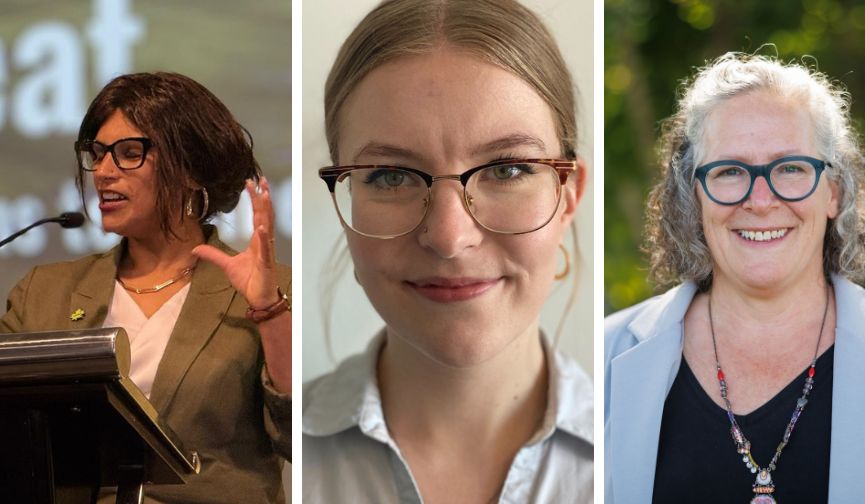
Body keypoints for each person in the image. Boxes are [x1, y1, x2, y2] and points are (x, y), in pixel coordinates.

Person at [302, 0, 593, 502]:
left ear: (568, 194)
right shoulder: (280, 461)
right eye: (391, 176)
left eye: (506, 169)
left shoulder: (626, 446)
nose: (449, 236)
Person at [605, 52, 865, 503]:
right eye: (729, 172)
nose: (760, 201)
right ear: (693, 195)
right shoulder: (601, 356)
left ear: (834, 191)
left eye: (791, 168)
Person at [1, 72, 291, 504]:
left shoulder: (271, 293)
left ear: (193, 167)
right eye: (96, 155)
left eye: (129, 153)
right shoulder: (44, 293)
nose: (103, 172)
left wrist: (269, 311)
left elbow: (303, 437)